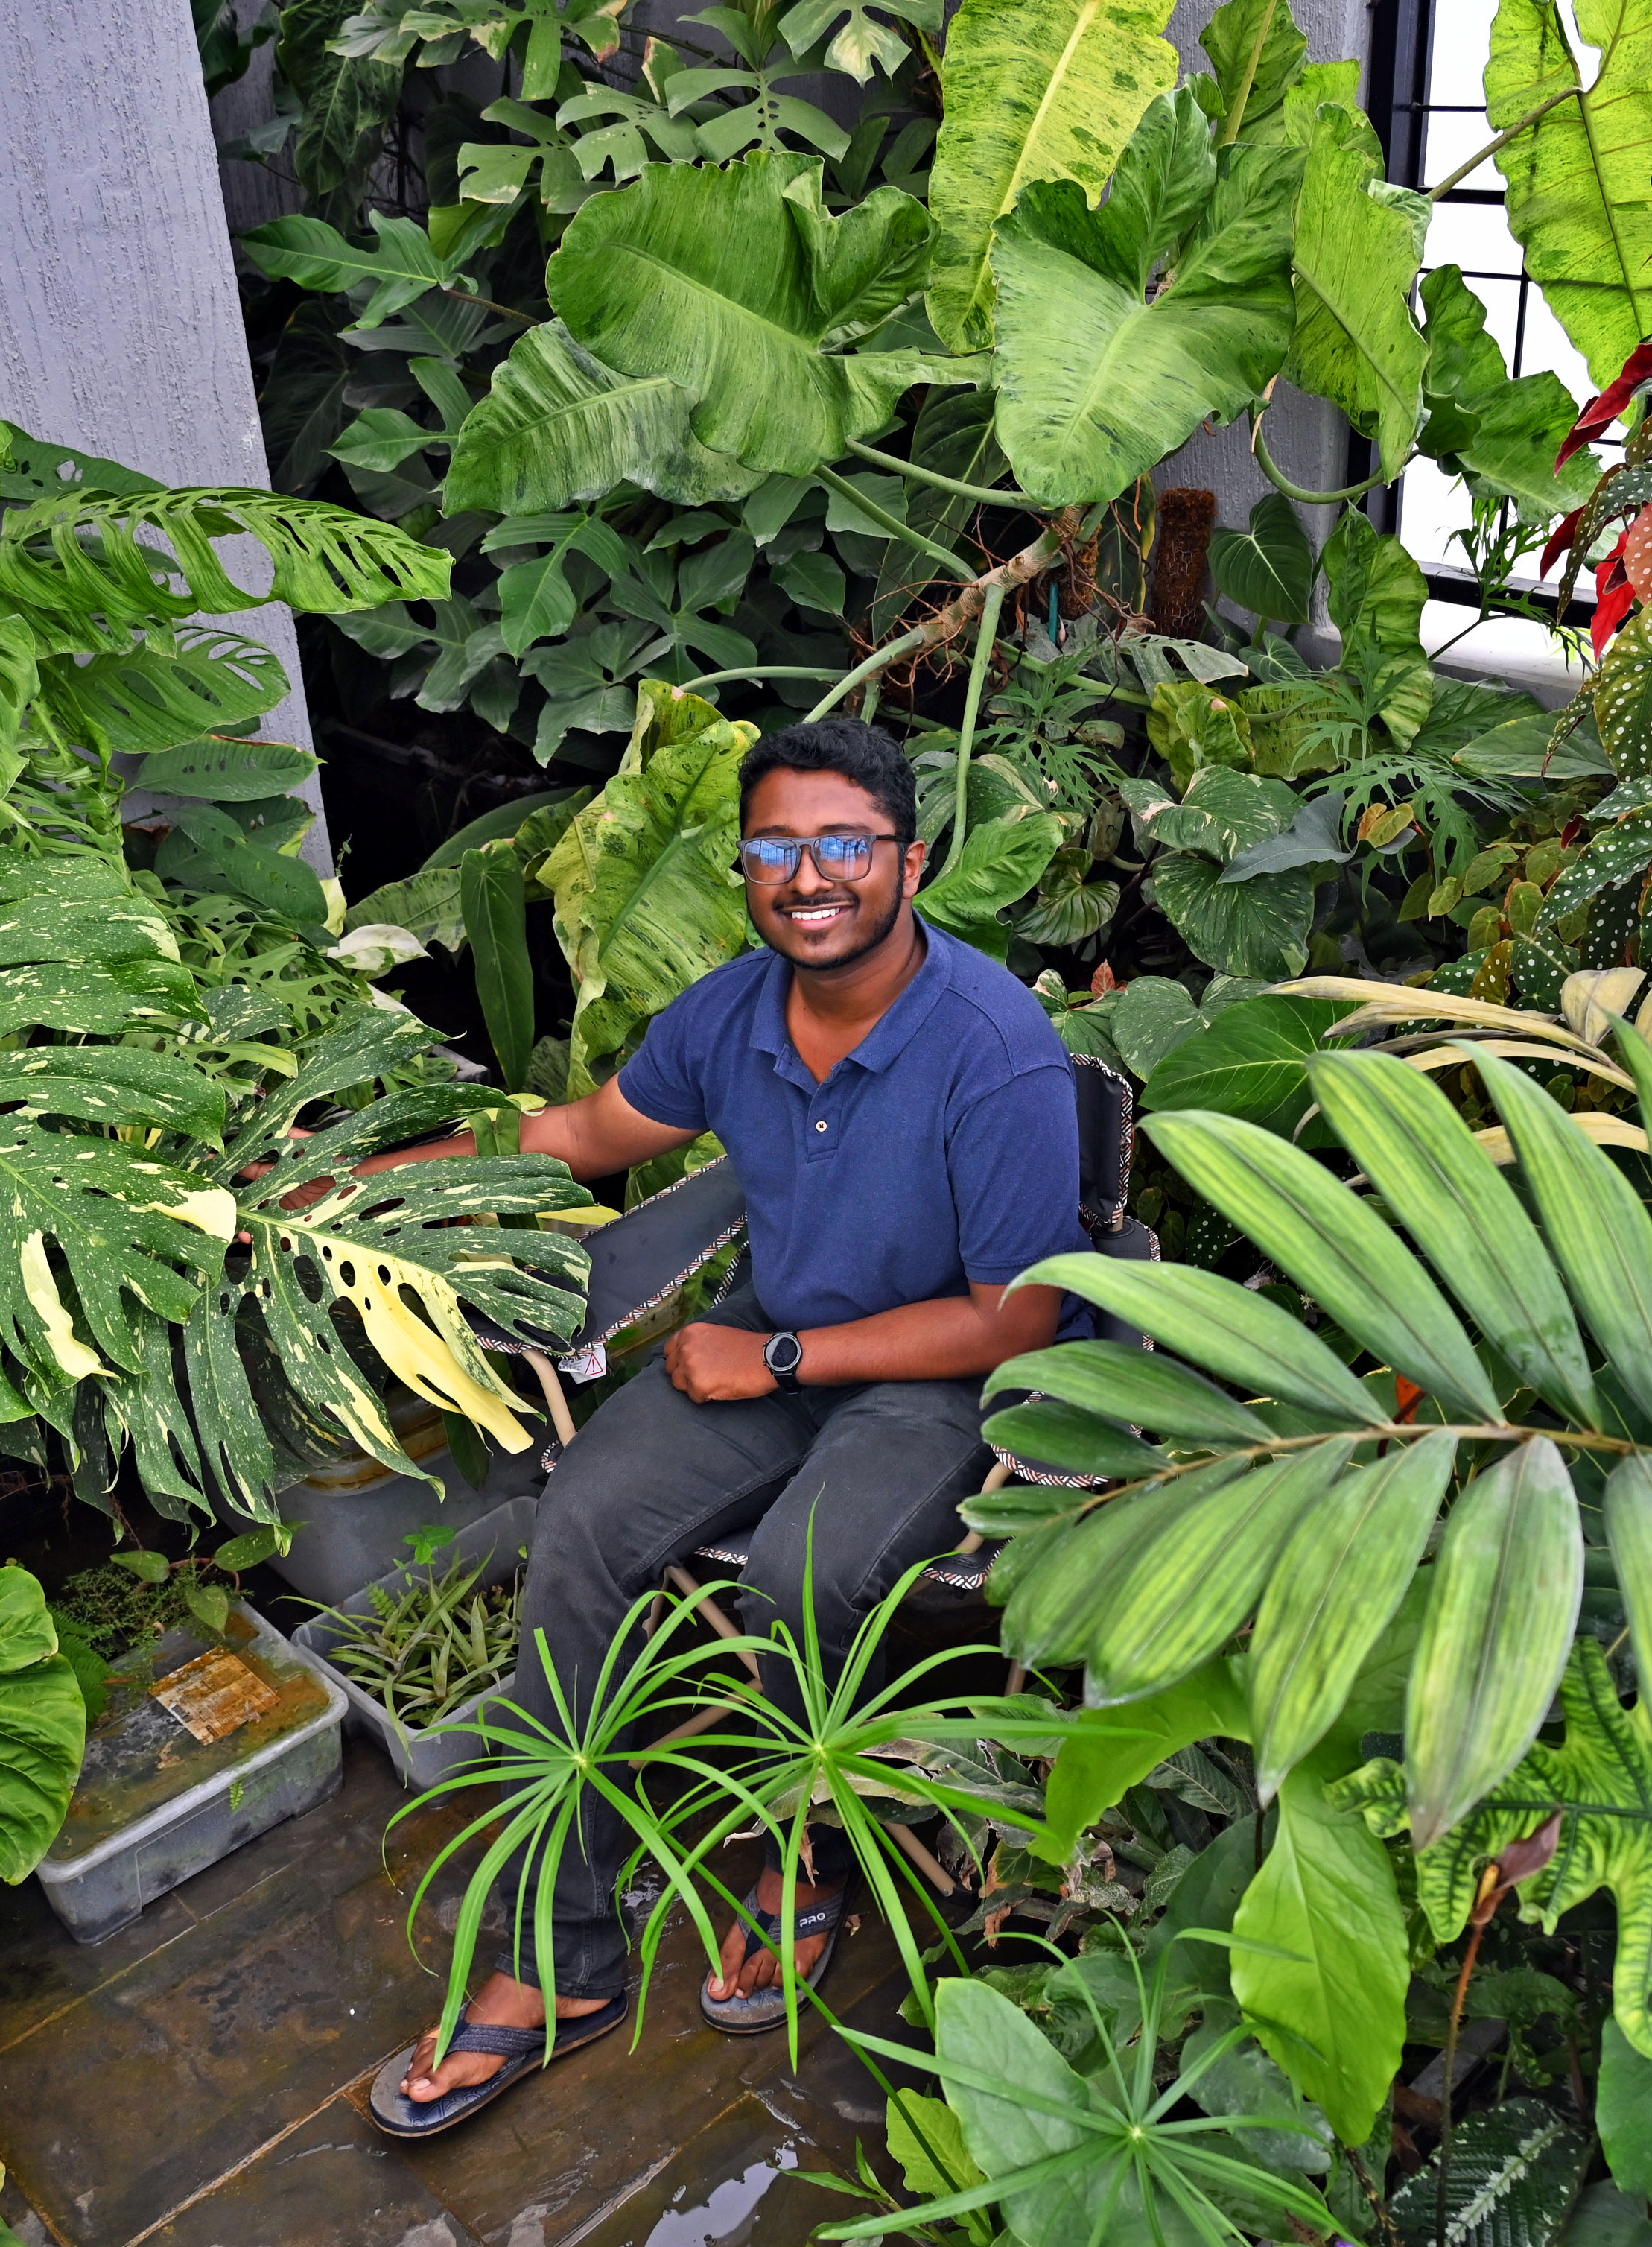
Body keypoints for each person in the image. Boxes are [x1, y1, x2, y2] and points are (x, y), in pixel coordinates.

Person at [345, 714, 1091, 2137]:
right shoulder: (734, 1012)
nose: (808, 876)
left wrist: (784, 1354)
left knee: (802, 1575)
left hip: (932, 1376)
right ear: (747, 869)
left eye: (844, 847)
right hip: (770, 1347)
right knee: (576, 1536)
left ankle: (798, 1847)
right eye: (775, 848)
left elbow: (1017, 1319)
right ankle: (557, 1954)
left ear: (909, 863)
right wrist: (377, 1179)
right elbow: (579, 1135)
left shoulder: (993, 1048)